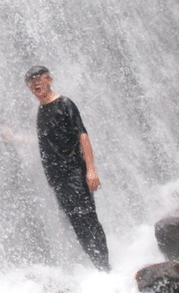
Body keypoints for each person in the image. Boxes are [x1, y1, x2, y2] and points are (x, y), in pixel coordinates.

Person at [24, 66, 110, 271]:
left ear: (50, 80)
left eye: (39, 78)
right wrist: (14, 139)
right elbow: (44, 141)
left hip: (75, 175)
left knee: (88, 220)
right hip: (57, 181)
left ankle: (106, 269)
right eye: (31, 81)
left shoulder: (64, 103)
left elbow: (82, 135)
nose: (36, 83)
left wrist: (91, 170)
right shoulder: (41, 111)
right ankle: (98, 269)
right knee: (77, 225)